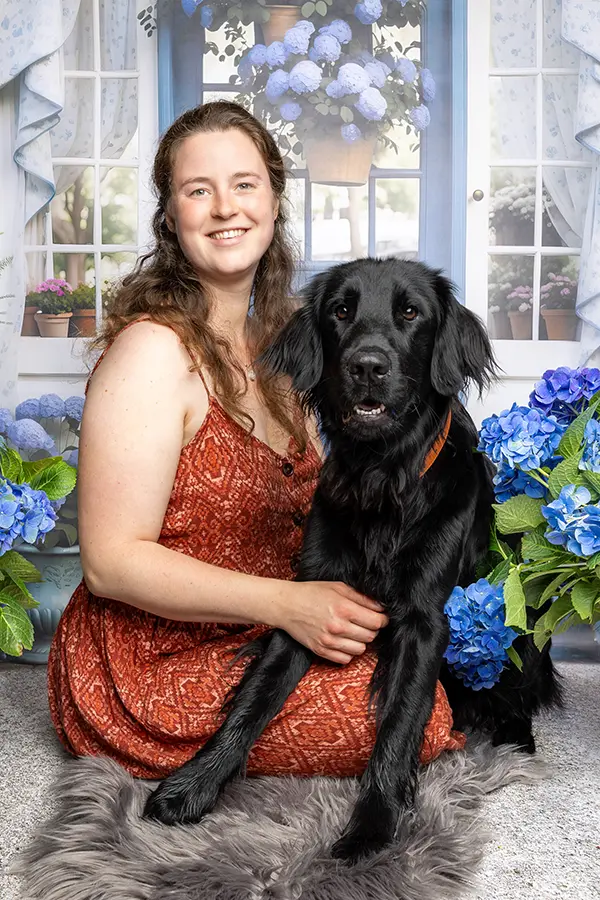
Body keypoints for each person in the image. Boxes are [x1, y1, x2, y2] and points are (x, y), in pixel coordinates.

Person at [47, 101, 465, 780]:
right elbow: (110, 563)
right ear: (169, 215)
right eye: (198, 190)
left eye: (244, 184)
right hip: (151, 655)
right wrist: (288, 604)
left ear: (273, 202)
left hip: (268, 627)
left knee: (418, 677)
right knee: (405, 717)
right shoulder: (151, 352)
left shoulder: (291, 342)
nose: (225, 208)